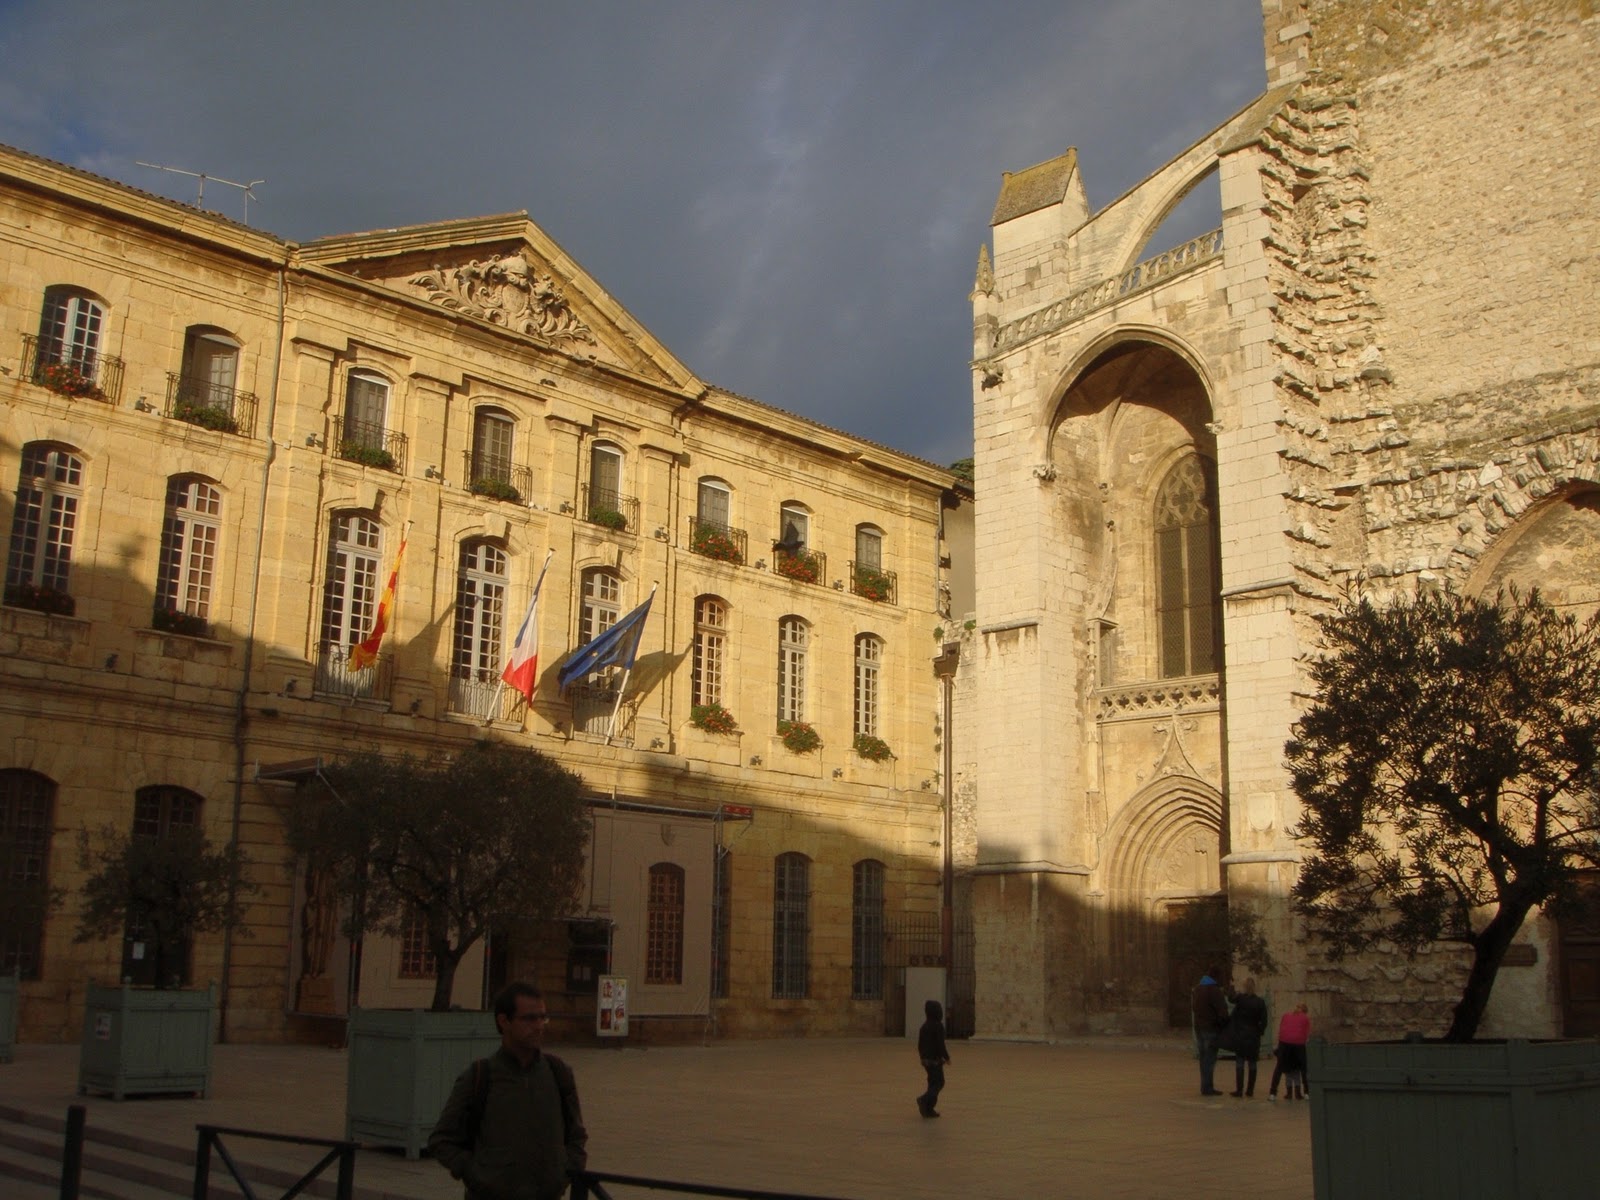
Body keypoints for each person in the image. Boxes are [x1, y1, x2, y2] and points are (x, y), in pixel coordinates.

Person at [430, 982, 588, 1199]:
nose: (539, 1025)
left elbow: (576, 1134)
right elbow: (442, 1139)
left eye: (543, 1017)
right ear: (504, 1021)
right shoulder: (480, 1076)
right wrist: (477, 1174)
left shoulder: (557, 1073)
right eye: (530, 1018)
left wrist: (566, 1171)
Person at [1224, 977, 1269, 1097]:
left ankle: (1239, 1090)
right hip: (1253, 1036)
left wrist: (1231, 987)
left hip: (1241, 1035)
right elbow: (1264, 1021)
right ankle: (1250, 1090)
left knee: (1240, 1062)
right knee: (1252, 1063)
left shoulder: (1241, 999)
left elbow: (1230, 999)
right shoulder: (1260, 1002)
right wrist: (1259, 1031)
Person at [1190, 966, 1230, 1096]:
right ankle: (1208, 1087)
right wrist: (1221, 1024)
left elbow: (1194, 1007)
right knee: (1210, 1058)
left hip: (1199, 1028)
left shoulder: (1198, 989)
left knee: (1203, 1058)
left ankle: (1205, 1086)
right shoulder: (1214, 991)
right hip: (1211, 1029)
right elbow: (1223, 1011)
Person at [1268, 1001, 1312, 1101]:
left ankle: (1272, 1093)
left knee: (1279, 1068)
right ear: (1305, 1012)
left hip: (1284, 1042)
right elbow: (1307, 1035)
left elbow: (1282, 1029)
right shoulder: (1305, 1018)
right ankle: (1306, 1092)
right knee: (1304, 1068)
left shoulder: (1286, 1015)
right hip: (1299, 1043)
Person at [916, 998, 951, 1118]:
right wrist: (946, 1057)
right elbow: (940, 1044)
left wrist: (922, 1057)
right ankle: (924, 1100)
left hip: (926, 1060)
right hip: (935, 1061)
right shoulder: (938, 1026)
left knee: (932, 1083)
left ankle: (928, 1109)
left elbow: (920, 1044)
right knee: (939, 1082)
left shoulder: (924, 1026)